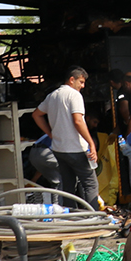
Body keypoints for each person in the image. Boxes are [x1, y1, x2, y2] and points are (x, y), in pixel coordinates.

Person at [32, 66, 100, 210]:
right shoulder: (74, 95)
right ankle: (95, 219)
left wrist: (50, 134)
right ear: (71, 80)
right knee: (90, 184)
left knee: (68, 186)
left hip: (58, 149)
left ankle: (70, 218)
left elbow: (36, 115)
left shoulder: (52, 96)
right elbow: (78, 121)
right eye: (81, 82)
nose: (83, 86)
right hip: (75, 148)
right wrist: (91, 143)